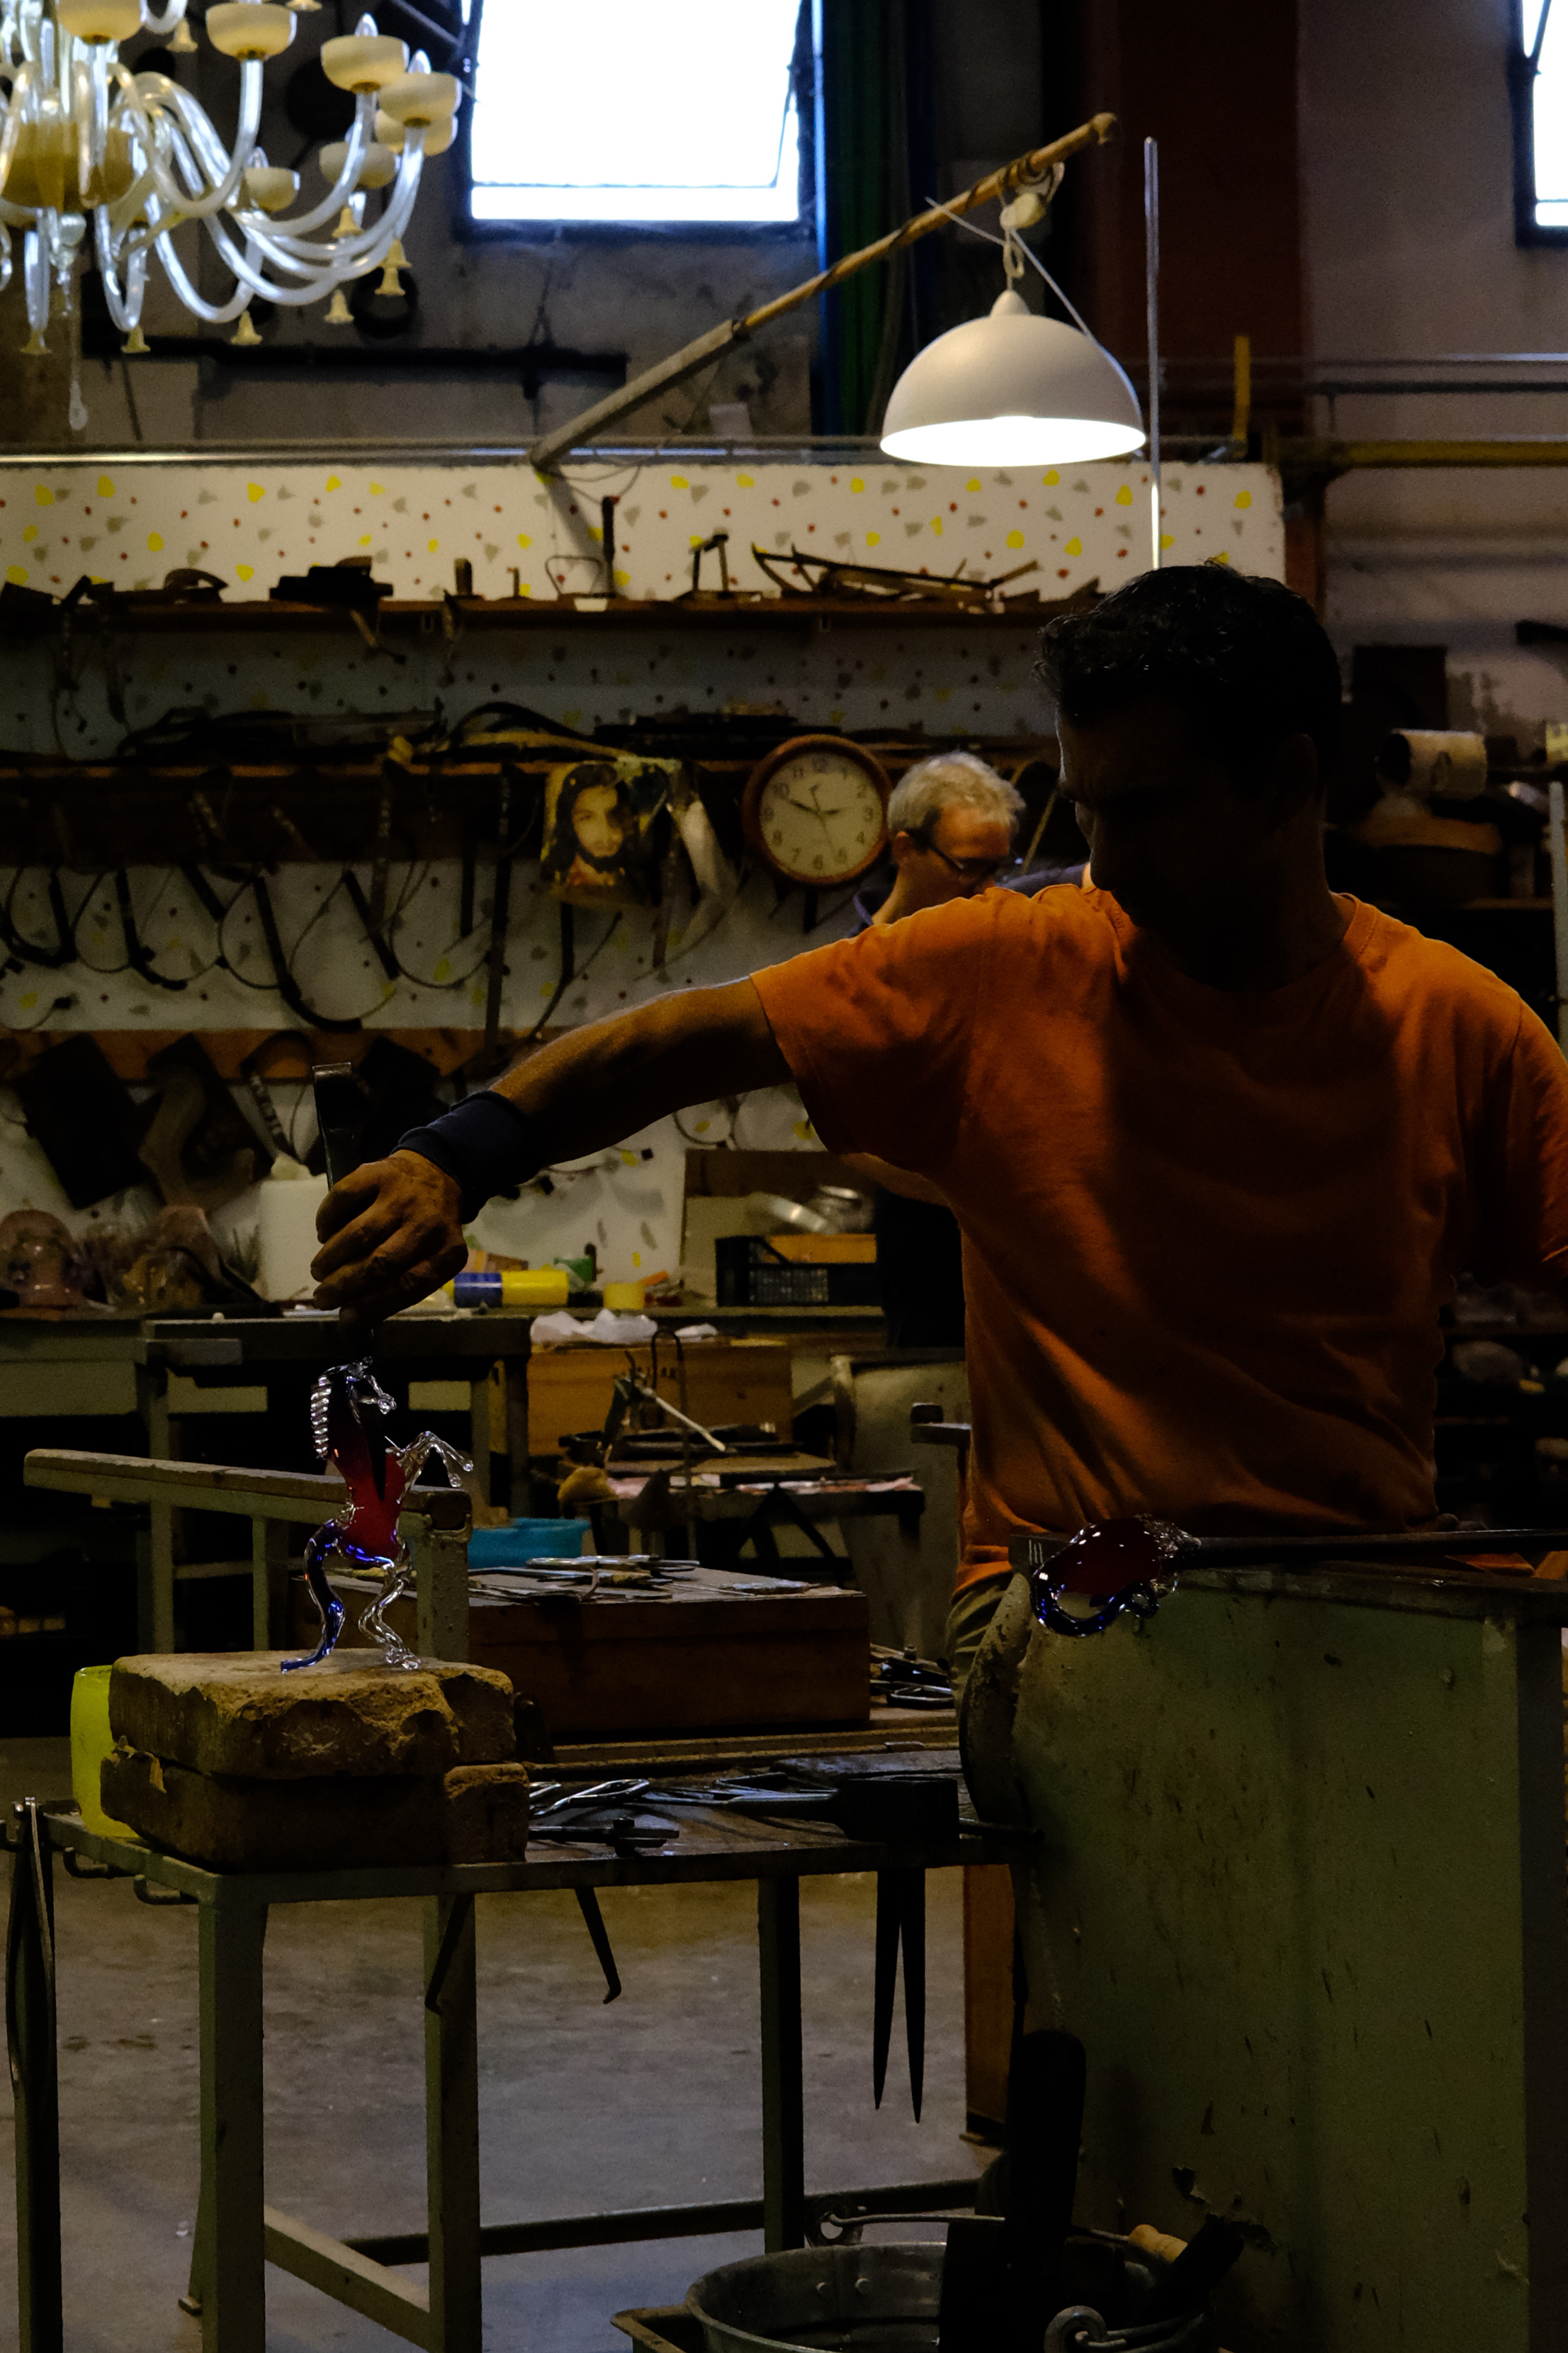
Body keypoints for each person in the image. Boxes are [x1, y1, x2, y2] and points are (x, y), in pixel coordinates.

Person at [311, 565, 1568, 1699]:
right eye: (1080, 811)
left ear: (1287, 783)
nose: (1099, 864)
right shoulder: (1004, 970)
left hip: (1357, 1595)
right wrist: (450, 1157)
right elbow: (697, 1034)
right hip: (1079, 1599)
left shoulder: (1457, 1029)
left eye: (1143, 812)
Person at [848, 752, 1023, 1348]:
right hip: (928, 1248)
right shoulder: (857, 974)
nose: (991, 888)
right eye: (971, 868)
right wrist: (962, 1194)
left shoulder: (1002, 948)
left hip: (1023, 1241)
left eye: (1001, 866)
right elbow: (846, 1137)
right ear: (905, 850)